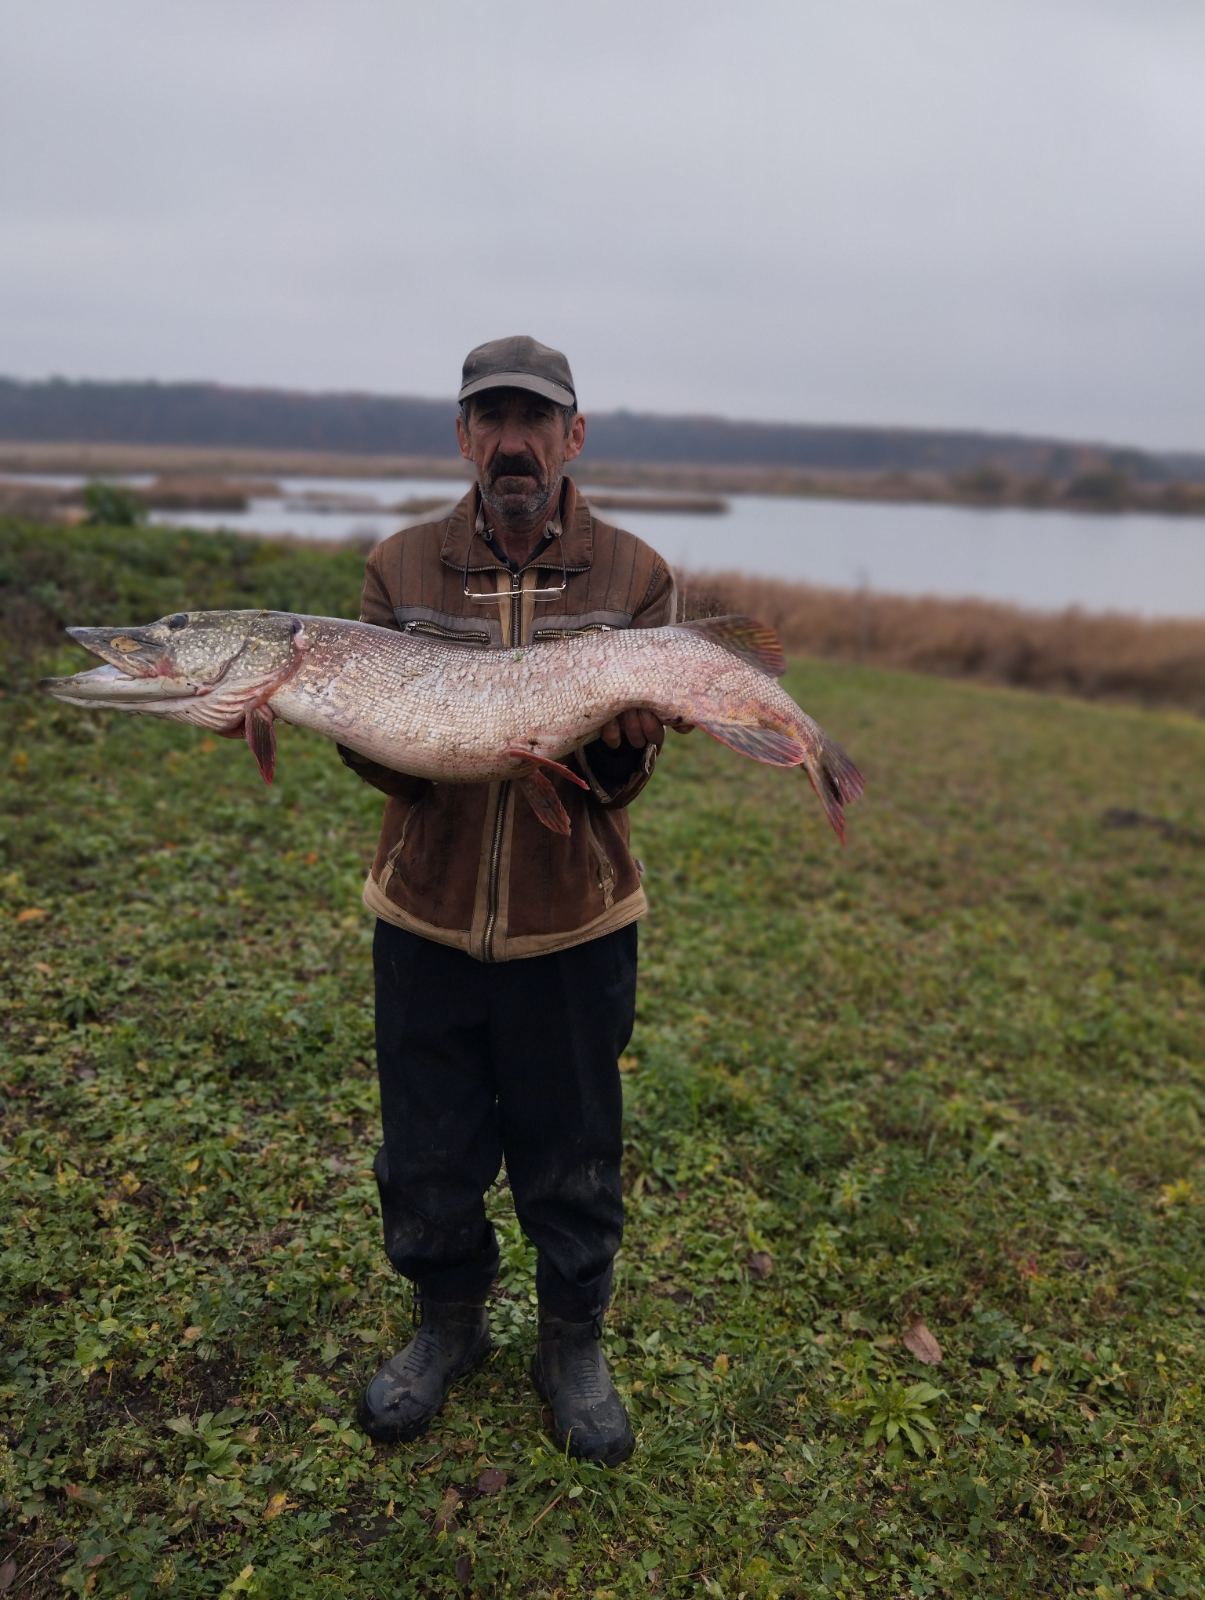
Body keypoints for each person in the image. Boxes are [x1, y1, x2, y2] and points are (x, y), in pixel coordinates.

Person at [339, 336, 681, 1467]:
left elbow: (620, 788)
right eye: (489, 418)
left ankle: (570, 1342)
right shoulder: (400, 567)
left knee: (572, 1146)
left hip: (572, 921)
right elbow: (396, 761)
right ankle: (448, 1324)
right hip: (428, 915)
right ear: (462, 438)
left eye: (534, 419)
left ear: (573, 437)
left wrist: (622, 745)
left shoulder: (633, 576)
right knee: (425, 1149)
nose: (512, 441)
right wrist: (350, 720)